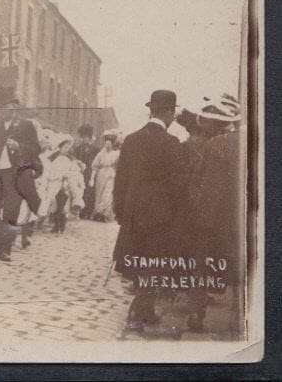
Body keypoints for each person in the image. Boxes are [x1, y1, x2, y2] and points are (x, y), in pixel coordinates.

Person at [112, 90, 188, 333]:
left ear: (151, 110)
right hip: (160, 216)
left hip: (133, 213)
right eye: (172, 113)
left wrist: (121, 210)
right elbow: (178, 185)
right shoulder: (170, 143)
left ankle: (144, 310)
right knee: (154, 263)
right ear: (168, 112)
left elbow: (120, 180)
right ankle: (139, 310)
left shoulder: (131, 139)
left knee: (136, 260)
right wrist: (177, 213)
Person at [177, 95, 243, 334]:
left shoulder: (216, 145)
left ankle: (196, 315)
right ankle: (240, 317)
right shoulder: (252, 143)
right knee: (241, 268)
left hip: (209, 220)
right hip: (240, 221)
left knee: (201, 267)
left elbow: (202, 184)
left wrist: (197, 215)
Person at [0, 87, 42, 261]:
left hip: (16, 174)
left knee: (11, 210)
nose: (3, 110)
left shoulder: (26, 125)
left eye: (7, 106)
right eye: (1, 107)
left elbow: (36, 149)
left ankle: (5, 248)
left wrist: (19, 147)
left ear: (14, 106)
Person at [44, 135, 85, 234]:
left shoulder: (70, 159)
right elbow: (49, 170)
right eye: (65, 147)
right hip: (55, 182)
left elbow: (75, 171)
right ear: (60, 147)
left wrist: (67, 176)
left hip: (65, 183)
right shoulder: (53, 158)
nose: (67, 149)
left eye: (68, 148)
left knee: (63, 204)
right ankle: (55, 223)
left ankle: (61, 224)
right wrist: (55, 177)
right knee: (54, 202)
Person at [90, 130, 121, 222]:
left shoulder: (117, 154)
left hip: (111, 174)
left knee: (107, 194)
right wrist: (92, 178)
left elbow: (119, 165)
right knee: (99, 193)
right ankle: (98, 213)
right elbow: (95, 166)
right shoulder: (100, 154)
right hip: (101, 173)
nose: (107, 145)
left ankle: (104, 213)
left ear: (112, 144)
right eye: (106, 143)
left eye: (109, 143)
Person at [72, 124, 100, 220]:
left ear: (90, 137)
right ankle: (81, 211)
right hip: (81, 171)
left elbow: (97, 162)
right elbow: (75, 158)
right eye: (83, 137)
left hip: (91, 171)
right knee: (82, 190)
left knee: (90, 191)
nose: (85, 139)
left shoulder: (96, 149)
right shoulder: (78, 148)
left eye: (87, 137)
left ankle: (89, 211)